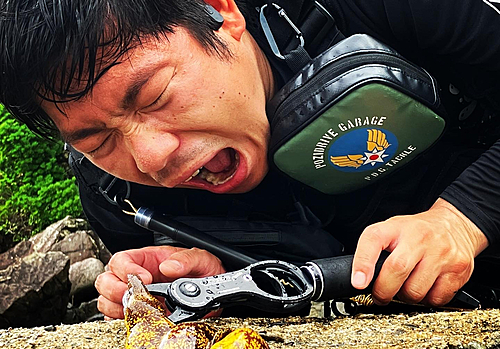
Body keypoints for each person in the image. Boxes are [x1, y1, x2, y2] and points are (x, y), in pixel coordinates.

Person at [1, 0, 499, 319]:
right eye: (98, 141)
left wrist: (461, 219)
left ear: (223, 14)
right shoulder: (116, 195)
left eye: (152, 96)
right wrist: (213, 292)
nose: (152, 159)